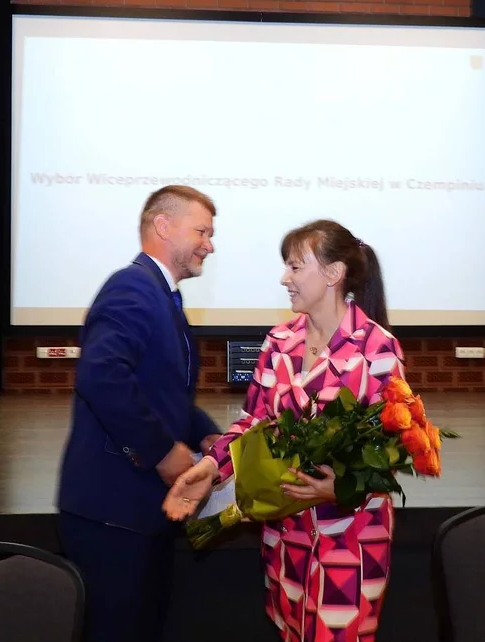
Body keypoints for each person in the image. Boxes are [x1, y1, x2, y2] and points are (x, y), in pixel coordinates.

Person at [164, 219, 406, 642]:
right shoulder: (279, 342)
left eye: (295, 267)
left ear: (333, 274)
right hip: (285, 535)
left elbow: (392, 447)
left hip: (350, 536)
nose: (284, 279)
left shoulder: (376, 348)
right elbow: (252, 422)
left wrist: (340, 488)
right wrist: (212, 467)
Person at [57, 184, 222, 642]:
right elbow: (101, 375)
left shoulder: (161, 294)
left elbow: (162, 391)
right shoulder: (132, 287)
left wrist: (206, 435)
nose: (209, 245)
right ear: (163, 226)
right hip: (113, 514)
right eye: (202, 232)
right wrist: (162, 451)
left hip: (139, 514)